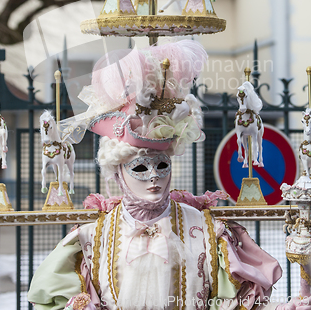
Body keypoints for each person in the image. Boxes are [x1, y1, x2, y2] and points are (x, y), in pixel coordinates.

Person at [27, 41, 306, 310]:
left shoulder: (206, 230)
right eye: (139, 167)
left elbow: (236, 302)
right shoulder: (94, 237)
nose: (154, 177)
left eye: (162, 165)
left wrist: (282, 307)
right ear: (118, 173)